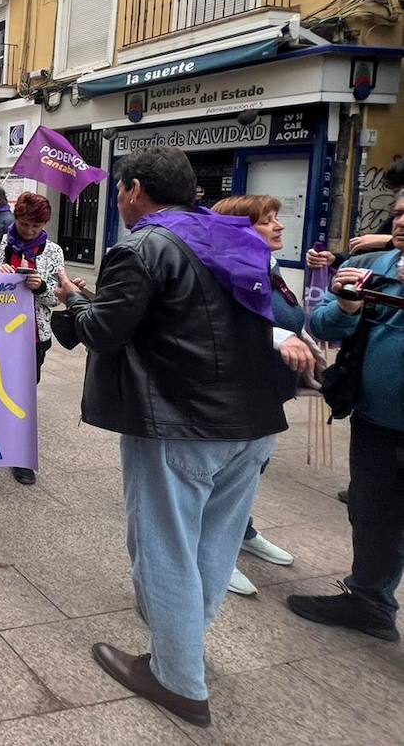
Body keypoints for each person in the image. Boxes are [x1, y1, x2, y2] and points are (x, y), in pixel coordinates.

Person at [49, 146, 309, 728]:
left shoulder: (142, 245)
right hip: (253, 421)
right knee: (214, 542)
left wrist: (67, 307)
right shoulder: (235, 237)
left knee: (165, 542)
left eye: (119, 190)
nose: (118, 200)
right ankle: (184, 634)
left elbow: (105, 332)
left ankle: (177, 679)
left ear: (134, 188)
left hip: (180, 422)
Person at [287, 188, 404, 642]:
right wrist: (348, 305)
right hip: (376, 420)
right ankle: (369, 601)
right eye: (395, 214)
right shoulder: (376, 269)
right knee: (371, 513)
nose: (398, 222)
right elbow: (323, 325)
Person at [210, 195, 302, 596]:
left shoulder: (270, 266)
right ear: (241, 230)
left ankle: (241, 532)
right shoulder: (227, 272)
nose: (279, 226)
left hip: (268, 395)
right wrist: (279, 336)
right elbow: (222, 328)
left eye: (277, 218)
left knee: (250, 475)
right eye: (268, 221)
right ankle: (215, 555)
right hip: (235, 398)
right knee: (222, 481)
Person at [0, 191, 63, 485]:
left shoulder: (53, 252)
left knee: (22, 397)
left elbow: (56, 298)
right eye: (24, 225)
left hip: (32, 337)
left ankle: (20, 456)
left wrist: (39, 287)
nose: (28, 232)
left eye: (35, 228)